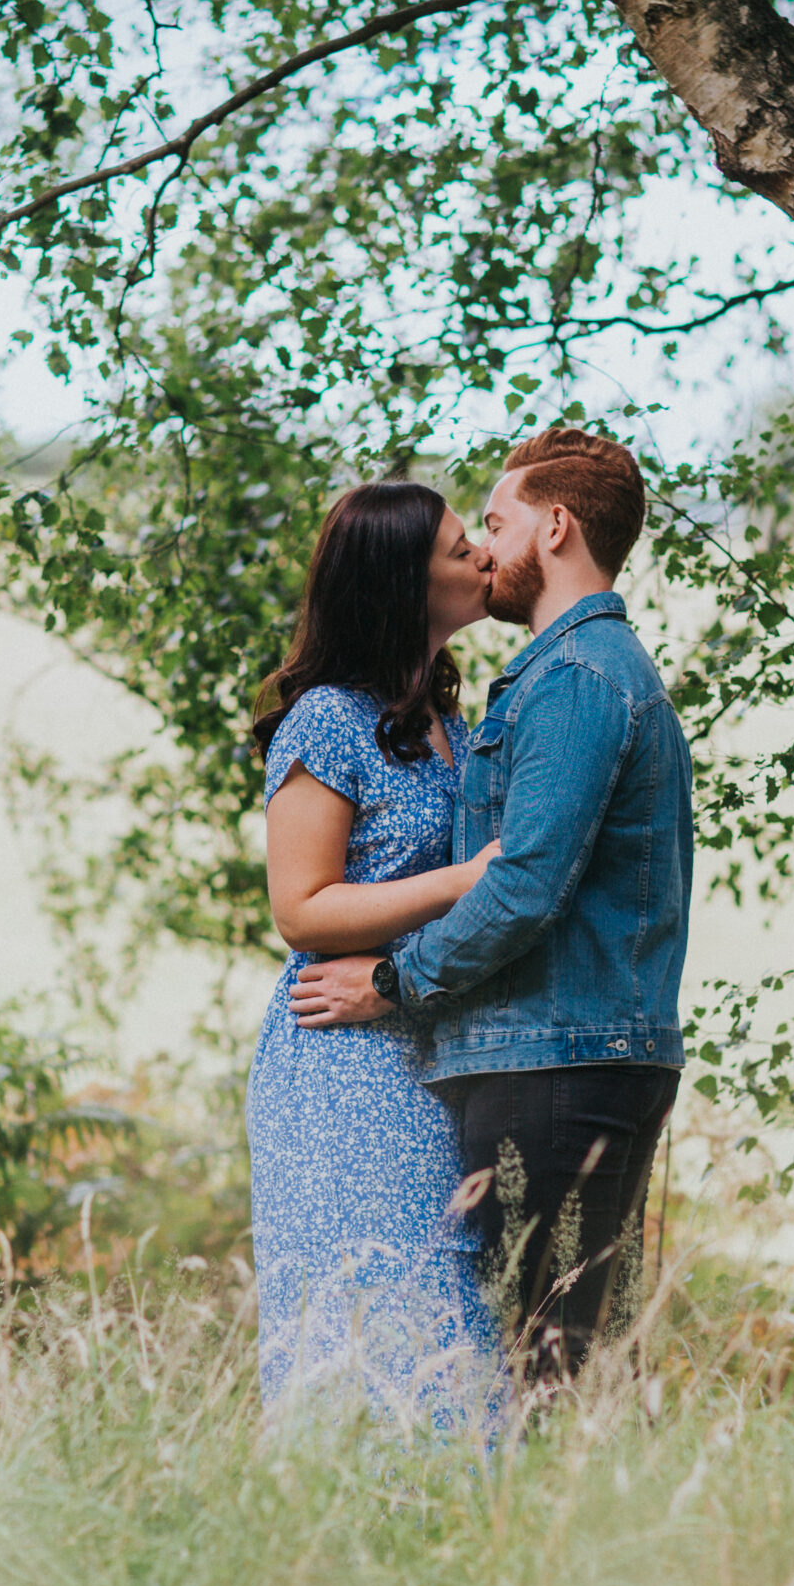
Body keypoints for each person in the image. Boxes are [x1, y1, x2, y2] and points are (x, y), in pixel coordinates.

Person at [289, 428, 694, 1386]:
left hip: (551, 1061)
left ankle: (541, 1530)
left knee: (533, 1365)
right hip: (564, 1056)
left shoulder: (575, 678)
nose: (484, 550)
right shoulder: (572, 674)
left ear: (555, 528)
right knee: (552, 1356)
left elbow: (521, 885)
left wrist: (393, 981)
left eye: (498, 524)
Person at [244, 479, 506, 1432]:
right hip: (342, 1060)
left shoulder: (449, 721)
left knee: (448, 1313)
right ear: (401, 582)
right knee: (368, 1316)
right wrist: (466, 879)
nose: (481, 554)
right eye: (455, 547)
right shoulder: (326, 719)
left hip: (419, 1033)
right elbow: (301, 906)